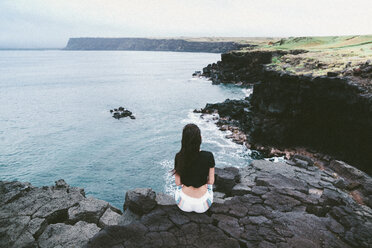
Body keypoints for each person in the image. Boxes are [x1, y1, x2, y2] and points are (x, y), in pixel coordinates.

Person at [172, 123, 215, 213]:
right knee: (209, 188)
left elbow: (178, 183)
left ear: (183, 140)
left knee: (178, 189)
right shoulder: (208, 155)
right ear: (199, 138)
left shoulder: (179, 156)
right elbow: (211, 181)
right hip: (203, 205)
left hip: (183, 204)